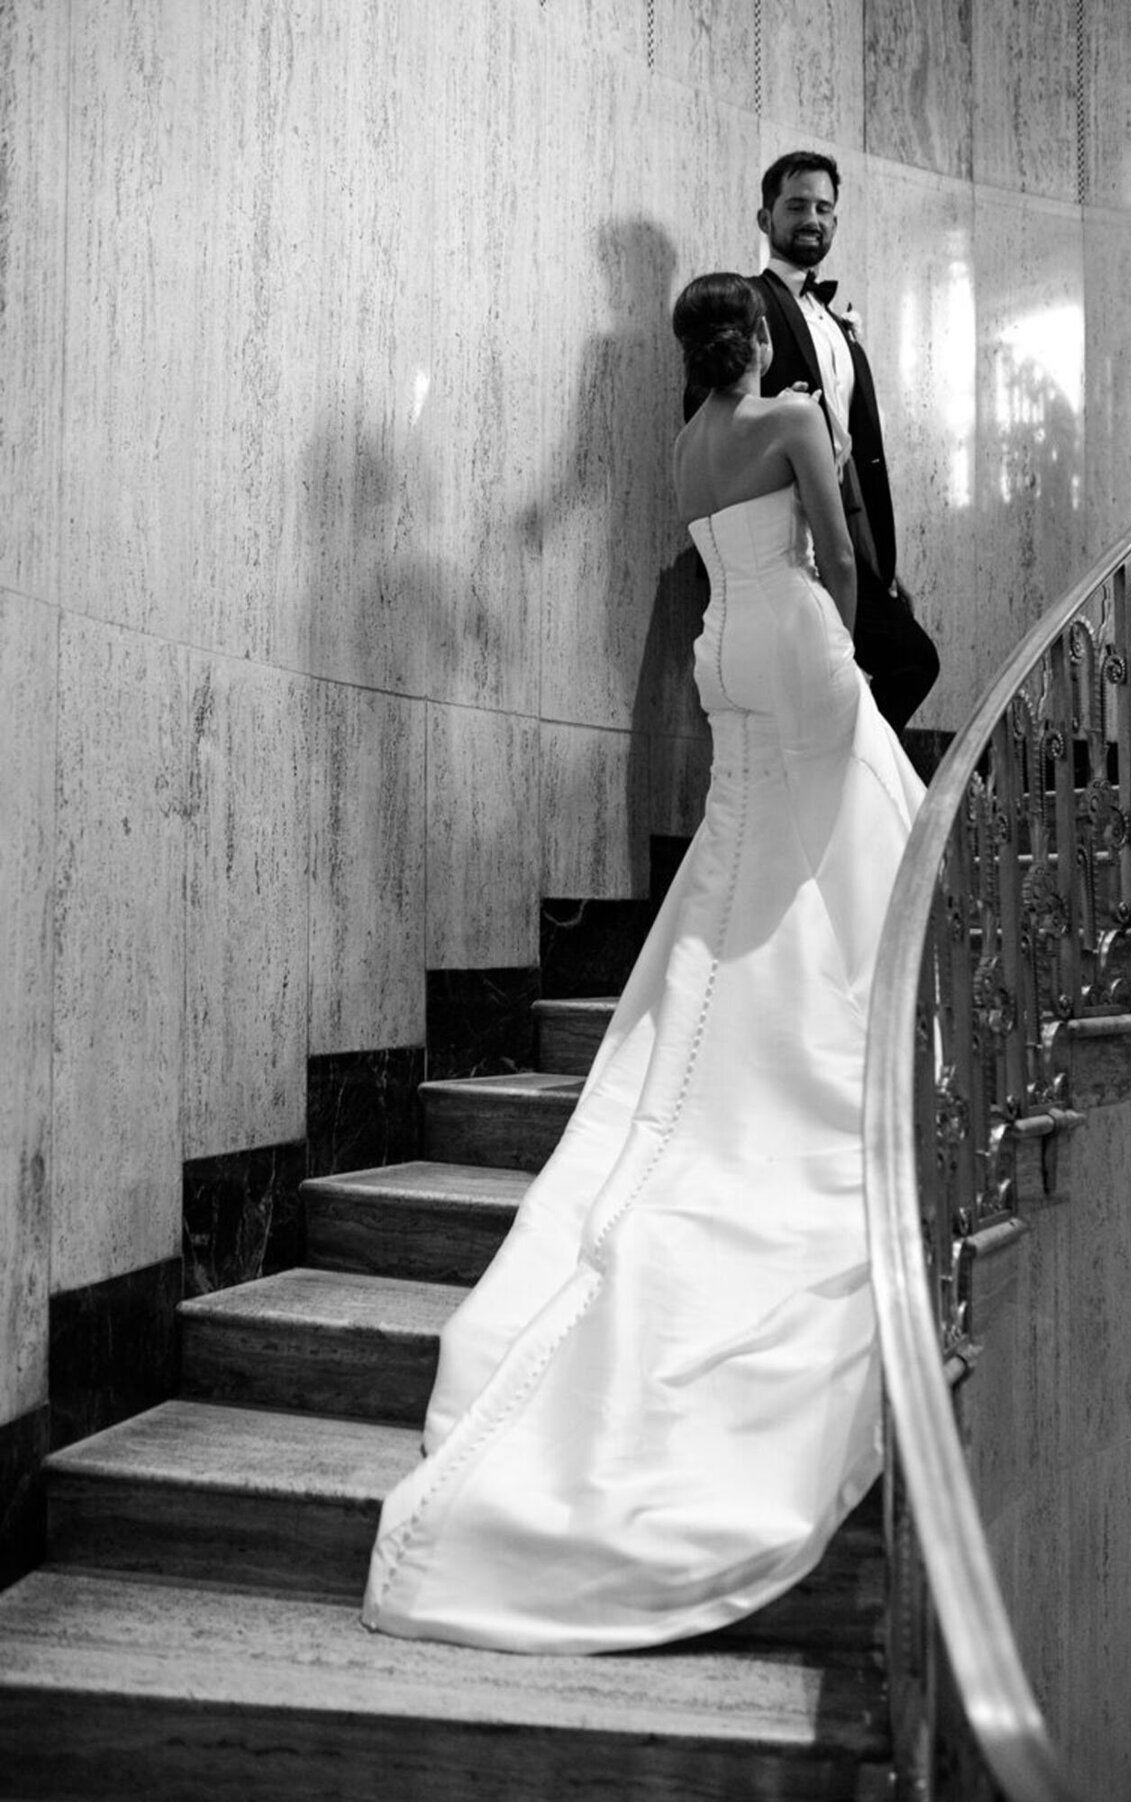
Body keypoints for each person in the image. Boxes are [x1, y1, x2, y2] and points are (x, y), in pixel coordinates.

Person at [362, 273, 925, 1656]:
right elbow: (843, 558)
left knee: (745, 847)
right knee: (862, 818)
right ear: (767, 342)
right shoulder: (793, 413)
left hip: (721, 654)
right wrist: (844, 637)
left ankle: (769, 1012)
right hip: (792, 639)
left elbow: (700, 564)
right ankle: (853, 1015)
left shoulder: (679, 449)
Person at [690, 151, 939, 736]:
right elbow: (706, 413)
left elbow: (862, 450)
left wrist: (883, 563)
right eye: (797, 205)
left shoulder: (836, 322)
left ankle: (840, 762)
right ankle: (844, 763)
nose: (813, 218)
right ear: (764, 218)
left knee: (906, 661)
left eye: (824, 208)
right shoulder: (745, 303)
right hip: (785, 536)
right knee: (908, 661)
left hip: (848, 526)